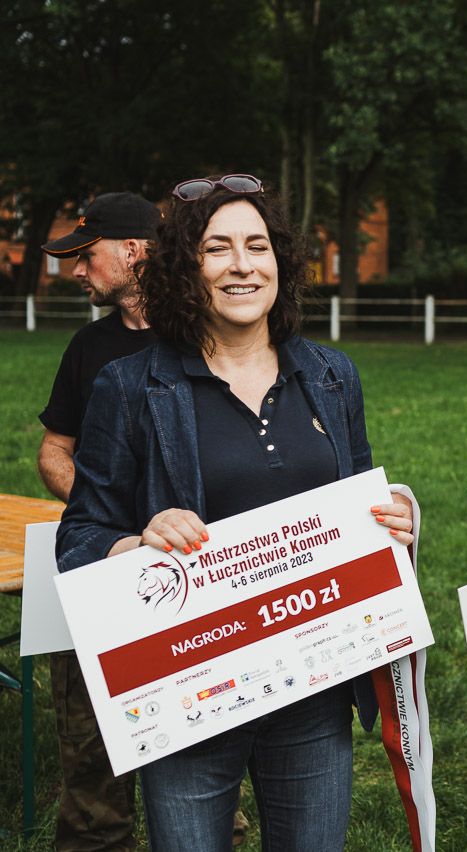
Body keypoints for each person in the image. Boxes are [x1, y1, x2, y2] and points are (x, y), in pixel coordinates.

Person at [55, 175, 416, 851]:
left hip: (315, 691)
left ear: (281, 263)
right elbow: (78, 538)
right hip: (189, 696)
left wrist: (393, 519)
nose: (242, 265)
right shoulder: (130, 386)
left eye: (257, 246)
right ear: (185, 269)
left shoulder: (332, 376)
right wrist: (136, 545)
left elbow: (362, 498)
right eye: (217, 249)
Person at [39, 191, 158, 851]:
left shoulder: (208, 338)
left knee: (197, 763)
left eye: (86, 256)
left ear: (135, 251)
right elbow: (53, 451)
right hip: (100, 568)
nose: (75, 271)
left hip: (193, 577)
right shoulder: (88, 347)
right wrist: (102, 511)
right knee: (90, 766)